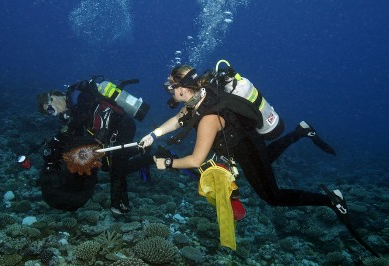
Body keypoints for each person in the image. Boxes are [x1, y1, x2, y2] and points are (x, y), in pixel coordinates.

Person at [139, 65, 378, 256]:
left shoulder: (208, 118)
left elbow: (196, 159)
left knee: (272, 196)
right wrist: (154, 134)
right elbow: (180, 117)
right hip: (245, 146)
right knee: (265, 161)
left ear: (183, 88)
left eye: (171, 87)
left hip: (248, 147)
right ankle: (299, 132)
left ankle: (331, 199)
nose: (170, 92)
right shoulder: (202, 96)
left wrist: (167, 164)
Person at [36, 78, 154, 214]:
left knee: (116, 167)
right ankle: (144, 150)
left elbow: (81, 118)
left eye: (51, 109)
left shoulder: (79, 95)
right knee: (106, 164)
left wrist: (59, 138)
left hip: (122, 126)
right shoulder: (72, 109)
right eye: (50, 113)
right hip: (112, 131)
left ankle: (119, 205)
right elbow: (77, 134)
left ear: (54, 97)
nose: (54, 113)